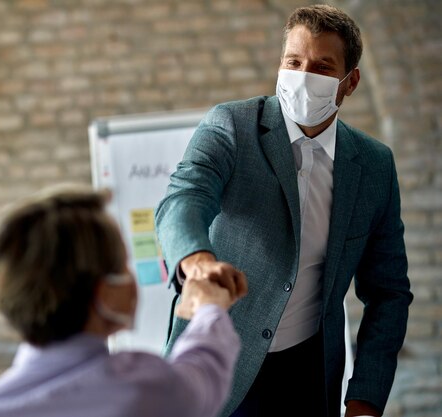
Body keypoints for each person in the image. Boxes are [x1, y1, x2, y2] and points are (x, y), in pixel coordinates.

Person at [155, 4, 412, 417]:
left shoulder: (374, 166)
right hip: (217, 363)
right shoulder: (232, 127)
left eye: (323, 67)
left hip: (309, 376)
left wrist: (365, 398)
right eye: (294, 62)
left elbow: (389, 293)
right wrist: (197, 260)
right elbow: (184, 196)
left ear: (351, 82)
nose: (303, 77)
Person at [0, 186, 247, 417]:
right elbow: (202, 375)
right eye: (121, 267)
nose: (129, 277)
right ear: (103, 294)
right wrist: (208, 310)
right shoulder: (141, 388)